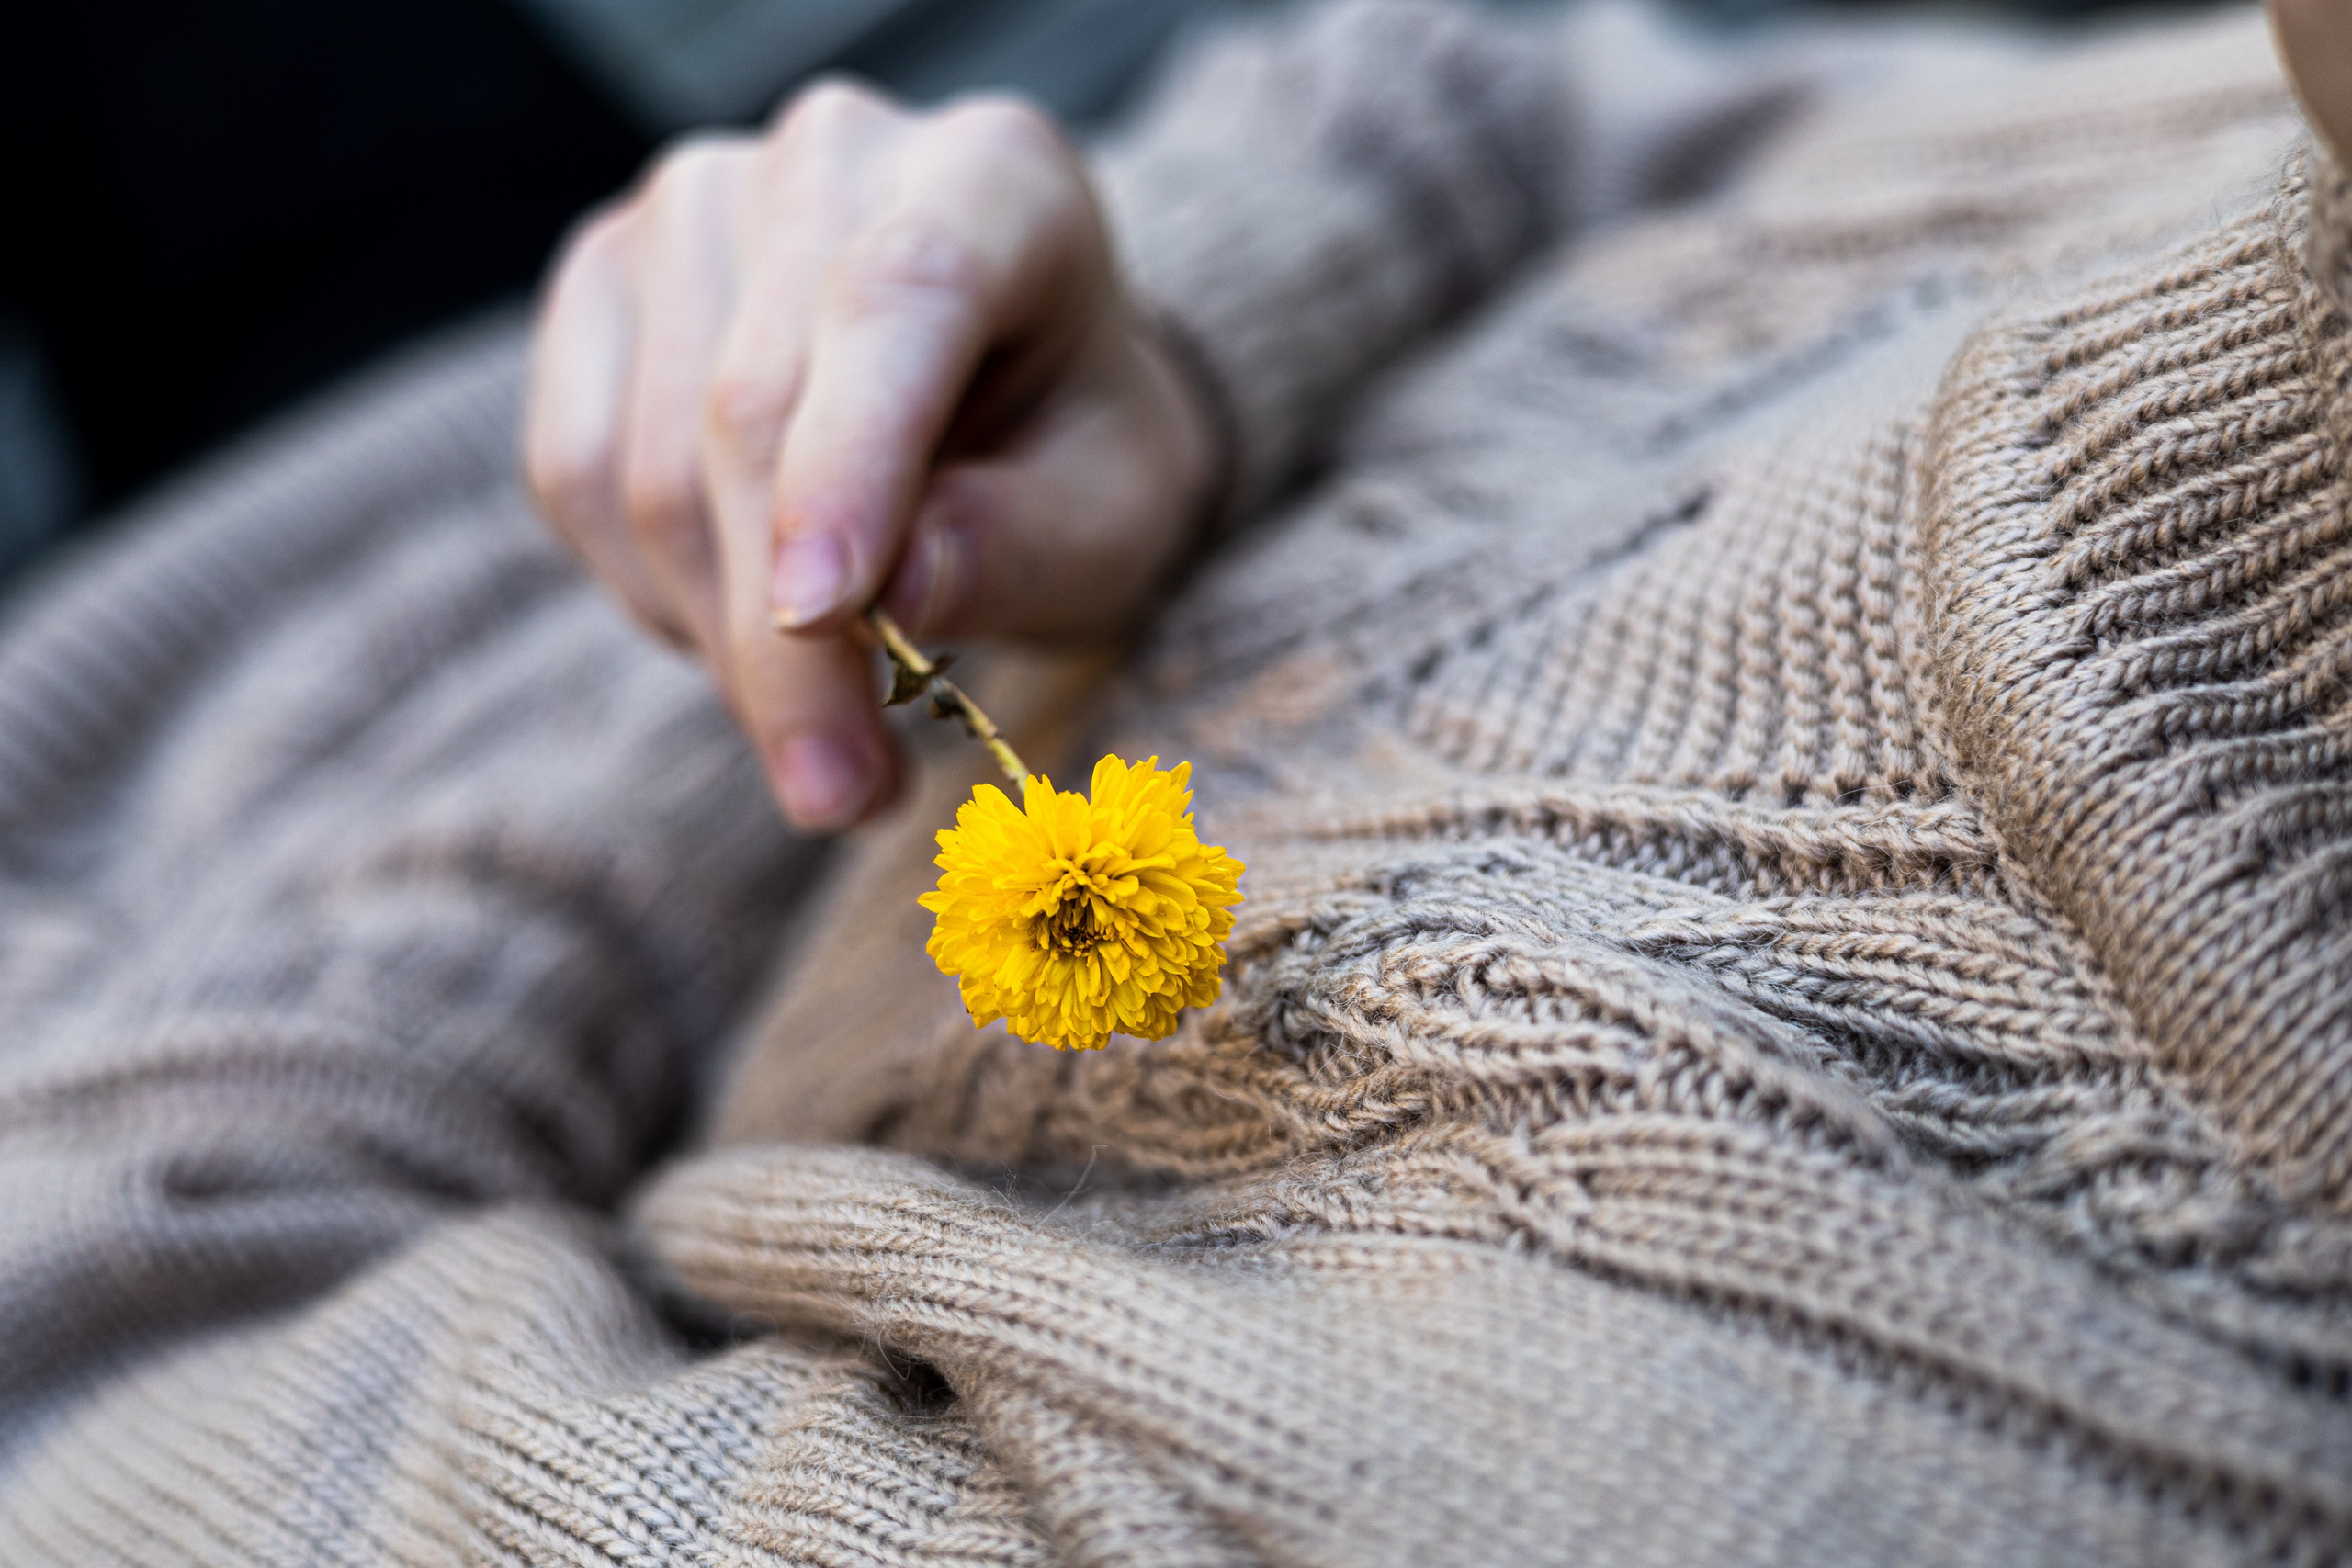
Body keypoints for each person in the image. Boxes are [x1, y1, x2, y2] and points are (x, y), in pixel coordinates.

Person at [2, 0, 2349, 1561]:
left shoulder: (1705, 1457)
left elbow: (91, 1407)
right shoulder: (2263, 123)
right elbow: (1512, 94)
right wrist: (1158, 344)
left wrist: (768, 643)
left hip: (127, 878)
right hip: (515, 429)